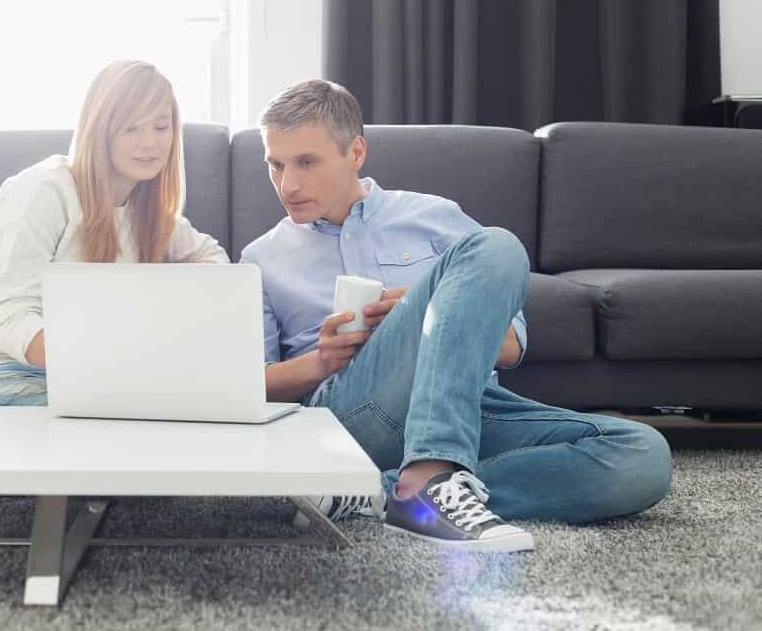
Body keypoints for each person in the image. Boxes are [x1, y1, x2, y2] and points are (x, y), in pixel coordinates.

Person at [240, 79, 672, 552]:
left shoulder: (434, 217)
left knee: (642, 455)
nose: (288, 184)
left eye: (306, 162)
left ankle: (385, 493)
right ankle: (429, 477)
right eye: (275, 165)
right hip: (354, 415)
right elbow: (249, 384)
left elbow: (510, 347)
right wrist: (323, 361)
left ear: (355, 152)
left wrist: (436, 310)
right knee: (496, 244)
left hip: (468, 403)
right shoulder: (262, 257)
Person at [0, 60, 229, 407]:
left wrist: (159, 293)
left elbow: (214, 259)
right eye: (130, 128)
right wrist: (107, 362)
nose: (149, 143)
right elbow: (11, 318)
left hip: (80, 376)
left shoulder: (147, 210)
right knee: (140, 420)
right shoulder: (44, 190)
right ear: (100, 129)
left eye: (161, 127)